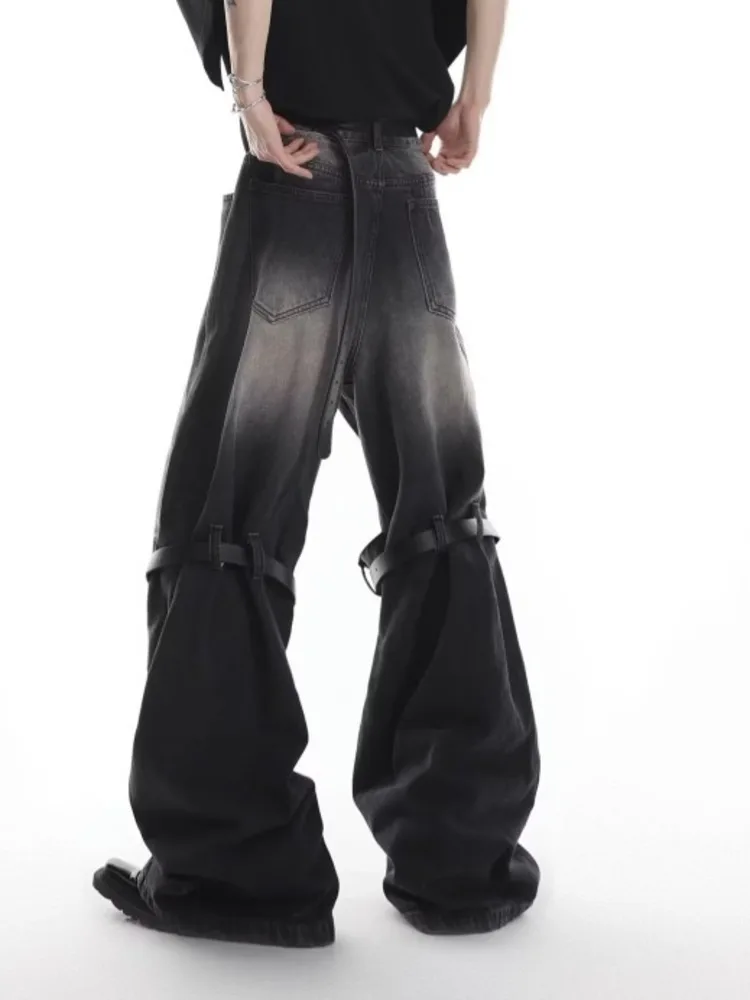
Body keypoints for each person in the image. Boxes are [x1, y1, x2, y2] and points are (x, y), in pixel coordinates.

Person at [92, 0, 541, 948]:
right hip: (403, 176)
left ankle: (238, 866)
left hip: (294, 167)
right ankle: (459, 857)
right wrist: (476, 94)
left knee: (228, 510)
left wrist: (250, 90)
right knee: (441, 510)